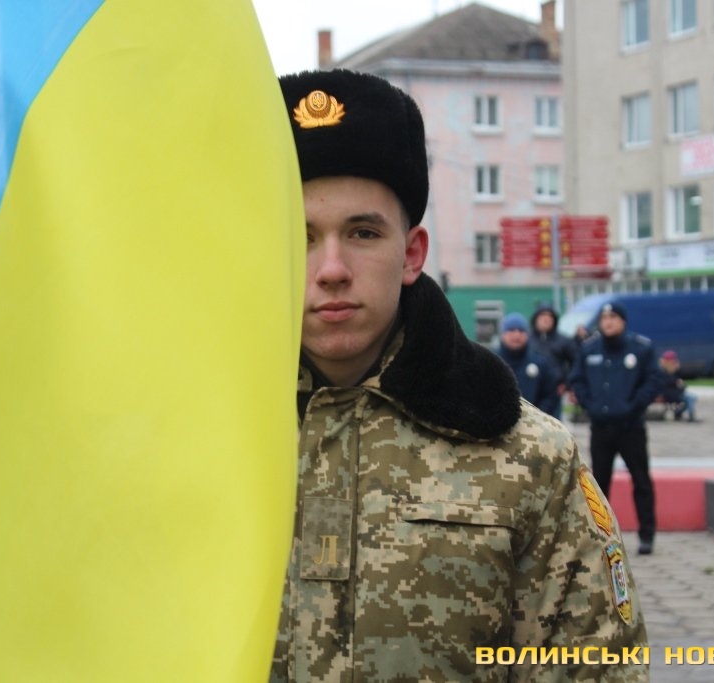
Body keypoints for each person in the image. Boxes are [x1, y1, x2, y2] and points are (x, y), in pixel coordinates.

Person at [271, 68, 647, 682]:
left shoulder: (530, 459)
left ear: (412, 253)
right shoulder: (192, 444)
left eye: (363, 233)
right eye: (300, 235)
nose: (332, 268)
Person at [569, 301, 663, 556]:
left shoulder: (640, 348)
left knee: (641, 481)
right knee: (599, 485)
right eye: (604, 318)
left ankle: (646, 535)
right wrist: (591, 405)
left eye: (613, 317)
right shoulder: (589, 349)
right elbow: (577, 379)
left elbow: (654, 379)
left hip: (631, 427)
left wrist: (634, 405)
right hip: (601, 428)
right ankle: (601, 537)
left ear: (623, 321)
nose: (608, 322)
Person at [495, 312, 558, 415]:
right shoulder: (492, 362)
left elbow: (550, 394)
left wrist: (538, 414)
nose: (517, 335)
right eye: (511, 330)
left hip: (534, 421)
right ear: (503, 334)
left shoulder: (539, 362)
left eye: (521, 331)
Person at [528, 304, 579, 420]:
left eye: (550, 316)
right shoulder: (527, 340)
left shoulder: (563, 341)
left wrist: (566, 383)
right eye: (542, 316)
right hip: (529, 390)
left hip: (554, 393)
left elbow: (577, 362)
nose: (546, 319)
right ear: (535, 319)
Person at [657, 349, 697, 421]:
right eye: (673, 362)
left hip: (676, 393)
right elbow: (666, 384)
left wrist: (678, 370)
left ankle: (678, 413)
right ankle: (691, 417)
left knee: (691, 398)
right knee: (690, 398)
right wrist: (676, 382)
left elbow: (682, 383)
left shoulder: (676, 371)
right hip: (669, 394)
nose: (675, 363)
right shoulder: (662, 372)